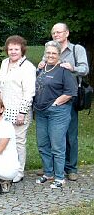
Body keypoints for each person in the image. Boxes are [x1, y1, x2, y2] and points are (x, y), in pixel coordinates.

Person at [38, 23, 89, 181]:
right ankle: (51, 168)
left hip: (69, 96)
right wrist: (41, 65)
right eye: (53, 32)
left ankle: (71, 168)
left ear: (67, 33)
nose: (56, 35)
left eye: (59, 32)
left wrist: (71, 67)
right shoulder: (50, 48)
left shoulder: (76, 49)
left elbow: (85, 69)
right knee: (52, 136)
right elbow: (45, 67)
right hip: (49, 97)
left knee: (69, 135)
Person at [34, 41, 77, 188]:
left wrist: (56, 103)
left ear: (59, 55)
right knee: (43, 144)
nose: (50, 55)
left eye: (54, 53)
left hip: (58, 113)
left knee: (57, 146)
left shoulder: (64, 70)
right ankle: (48, 173)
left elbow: (71, 92)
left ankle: (60, 177)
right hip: (40, 112)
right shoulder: (41, 68)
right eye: (48, 53)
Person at [0, 35, 36, 183]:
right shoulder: (4, 63)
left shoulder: (28, 67)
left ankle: (19, 171)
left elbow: (29, 92)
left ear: (22, 50)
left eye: (16, 49)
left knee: (19, 141)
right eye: (10, 49)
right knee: (6, 140)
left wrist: (22, 112)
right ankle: (8, 167)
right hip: (5, 109)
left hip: (20, 110)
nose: (13, 52)